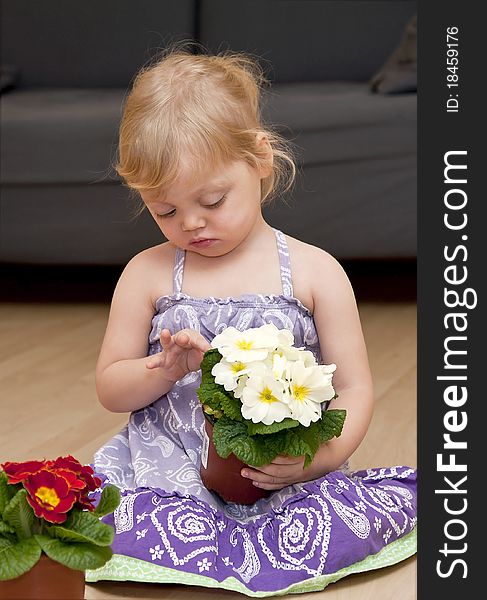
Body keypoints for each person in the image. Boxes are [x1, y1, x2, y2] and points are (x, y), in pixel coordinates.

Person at [89, 46, 416, 594]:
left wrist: (321, 460)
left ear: (260, 159)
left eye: (213, 200)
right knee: (118, 524)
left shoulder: (315, 272)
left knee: (318, 527)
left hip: (283, 473)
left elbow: (354, 386)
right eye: (164, 210)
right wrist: (162, 370)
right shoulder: (146, 274)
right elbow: (110, 388)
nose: (191, 223)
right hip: (170, 475)